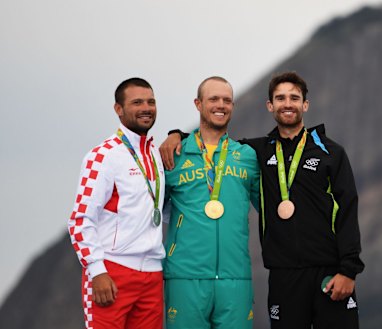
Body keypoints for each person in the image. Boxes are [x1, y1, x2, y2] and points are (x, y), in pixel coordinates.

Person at [161, 72, 364, 329]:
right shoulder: (256, 151)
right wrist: (176, 134)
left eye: (294, 97)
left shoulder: (330, 152)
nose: (287, 103)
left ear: (305, 104)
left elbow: (348, 209)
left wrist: (348, 269)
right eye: (280, 98)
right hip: (283, 275)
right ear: (270, 106)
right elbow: (211, 141)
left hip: (329, 272)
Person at [68, 77, 165, 329]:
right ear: (118, 109)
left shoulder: (156, 154)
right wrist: (96, 270)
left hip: (152, 274)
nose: (146, 108)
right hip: (112, 271)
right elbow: (80, 220)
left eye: (150, 102)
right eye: (137, 102)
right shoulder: (103, 155)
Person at [162, 76, 260, 329]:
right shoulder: (174, 154)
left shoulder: (247, 156)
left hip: (235, 277)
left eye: (227, 100)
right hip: (185, 276)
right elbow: (147, 212)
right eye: (213, 99)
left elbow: (270, 207)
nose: (221, 105)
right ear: (198, 103)